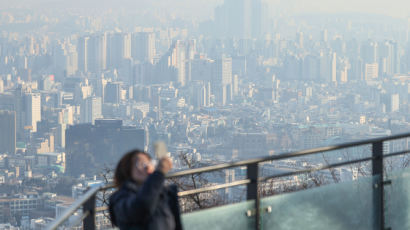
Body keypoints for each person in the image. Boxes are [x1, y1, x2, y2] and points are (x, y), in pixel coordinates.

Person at [109, 149, 182, 230]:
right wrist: (158, 174)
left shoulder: (164, 194)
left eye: (149, 163)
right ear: (127, 170)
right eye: (141, 164)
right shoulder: (119, 199)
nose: (147, 167)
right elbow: (141, 207)